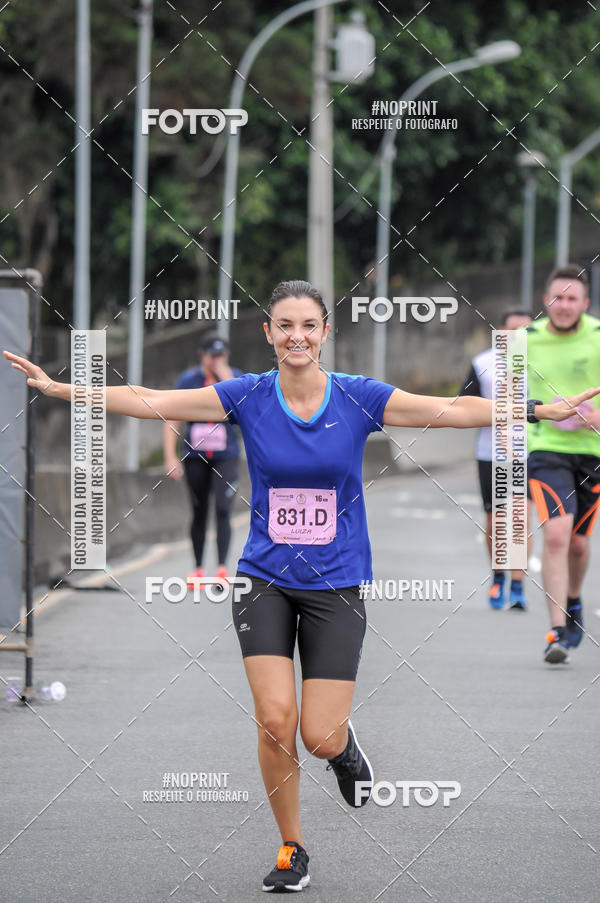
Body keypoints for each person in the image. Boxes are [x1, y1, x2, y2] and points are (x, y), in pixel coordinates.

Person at [5, 280, 596, 894]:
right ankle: (292, 846)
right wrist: (62, 389)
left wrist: (531, 411)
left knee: (318, 734)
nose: (297, 336)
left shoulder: (358, 398)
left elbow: (444, 409)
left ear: (325, 333)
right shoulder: (247, 396)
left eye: (308, 326)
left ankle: (343, 749)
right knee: (274, 719)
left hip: (336, 585)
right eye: (284, 325)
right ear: (268, 334)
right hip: (264, 579)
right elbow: (152, 399)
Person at [526, 264, 600, 664]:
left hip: (593, 453)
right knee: (556, 534)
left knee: (578, 541)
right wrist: (540, 412)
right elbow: (505, 397)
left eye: (572, 299)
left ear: (585, 304)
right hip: (545, 448)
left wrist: (596, 419)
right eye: (557, 298)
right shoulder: (524, 341)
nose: (564, 305)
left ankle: (573, 601)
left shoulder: (599, 336)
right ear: (545, 301)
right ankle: (555, 630)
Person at [460, 309, 533, 610]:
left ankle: (517, 585)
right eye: (513, 330)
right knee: (495, 520)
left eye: (526, 331)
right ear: (501, 331)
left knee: (520, 519)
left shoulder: (539, 365)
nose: (519, 337)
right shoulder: (482, 363)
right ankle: (498, 576)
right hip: (490, 454)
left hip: (529, 454)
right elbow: (463, 406)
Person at [163, 334, 243, 589]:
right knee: (199, 512)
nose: (216, 360)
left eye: (221, 355)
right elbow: (171, 415)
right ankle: (198, 569)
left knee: (222, 509)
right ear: (202, 354)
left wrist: (224, 372)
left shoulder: (234, 376)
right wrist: (170, 456)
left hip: (225, 455)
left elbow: (243, 405)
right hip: (196, 456)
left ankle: (221, 569)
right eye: (212, 356)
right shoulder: (189, 381)